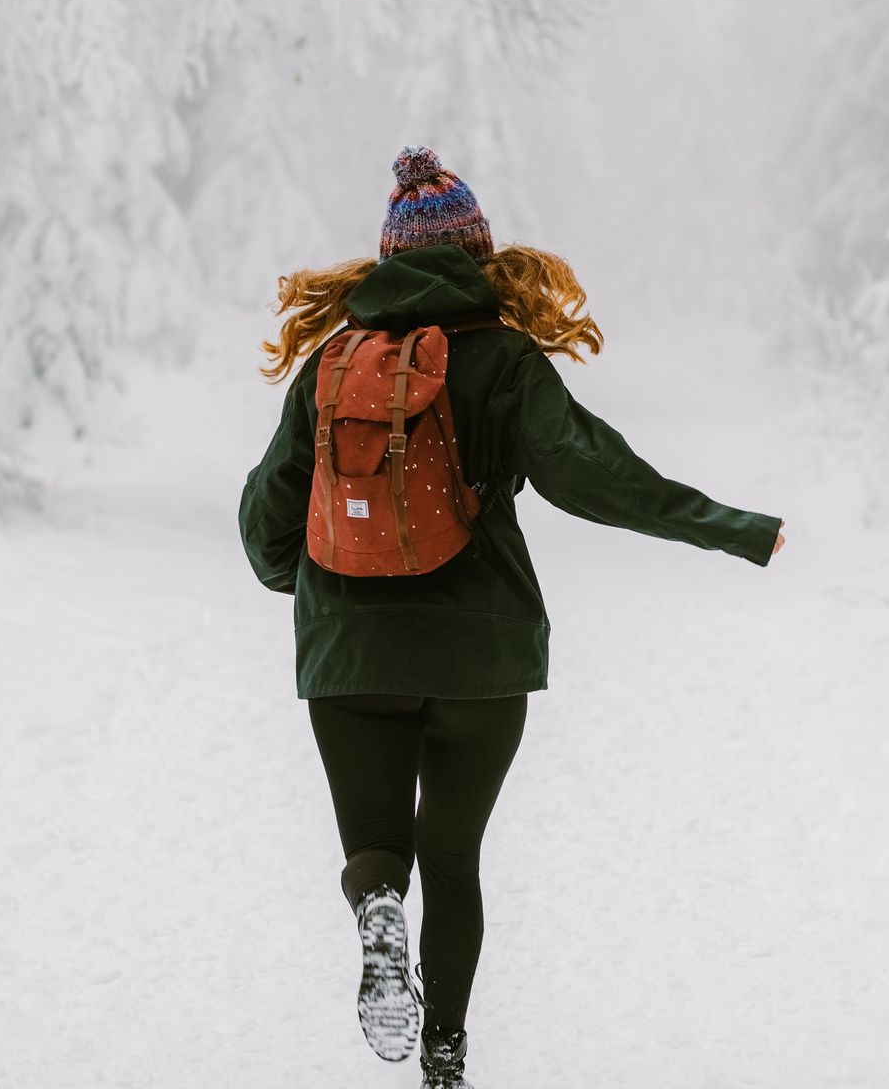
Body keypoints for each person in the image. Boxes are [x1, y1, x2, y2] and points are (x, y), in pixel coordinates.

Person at [238, 146, 785, 1089]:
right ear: (481, 256)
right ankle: (444, 1062)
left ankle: (375, 906)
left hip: (350, 653)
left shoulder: (333, 363)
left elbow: (265, 521)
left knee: (380, 844)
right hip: (480, 656)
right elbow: (596, 476)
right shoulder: (501, 360)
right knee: (453, 857)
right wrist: (733, 529)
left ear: (385, 260)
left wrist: (316, 589)